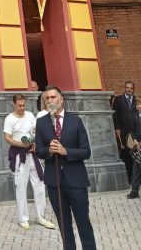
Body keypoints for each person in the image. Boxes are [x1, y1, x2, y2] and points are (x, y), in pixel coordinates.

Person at [35, 85, 97, 249]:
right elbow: (39, 150)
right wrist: (48, 151)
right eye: (47, 98)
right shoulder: (41, 123)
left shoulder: (75, 121)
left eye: (53, 97)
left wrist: (65, 151)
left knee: (83, 222)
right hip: (54, 182)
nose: (49, 100)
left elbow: (86, 151)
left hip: (76, 181)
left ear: (61, 99)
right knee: (64, 225)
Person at [3, 93, 55, 231]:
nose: (22, 108)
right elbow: (7, 137)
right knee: (21, 187)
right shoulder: (9, 118)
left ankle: (41, 216)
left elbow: (35, 131)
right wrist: (20, 144)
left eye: (24, 105)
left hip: (33, 154)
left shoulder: (30, 115)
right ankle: (23, 218)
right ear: (14, 104)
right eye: (19, 105)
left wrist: (34, 142)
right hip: (19, 155)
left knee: (39, 184)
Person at [112, 80, 136, 184]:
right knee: (126, 155)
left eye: (131, 88)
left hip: (136, 132)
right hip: (123, 132)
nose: (129, 90)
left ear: (133, 89)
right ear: (124, 88)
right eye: (127, 88)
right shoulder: (118, 99)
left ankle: (137, 178)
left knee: (136, 155)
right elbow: (115, 115)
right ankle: (129, 178)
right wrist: (117, 128)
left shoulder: (137, 100)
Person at [126, 95, 141, 199]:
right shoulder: (133, 115)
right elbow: (132, 129)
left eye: (140, 104)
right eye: (137, 104)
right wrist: (135, 140)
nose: (138, 106)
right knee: (136, 168)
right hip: (137, 145)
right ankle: (134, 191)